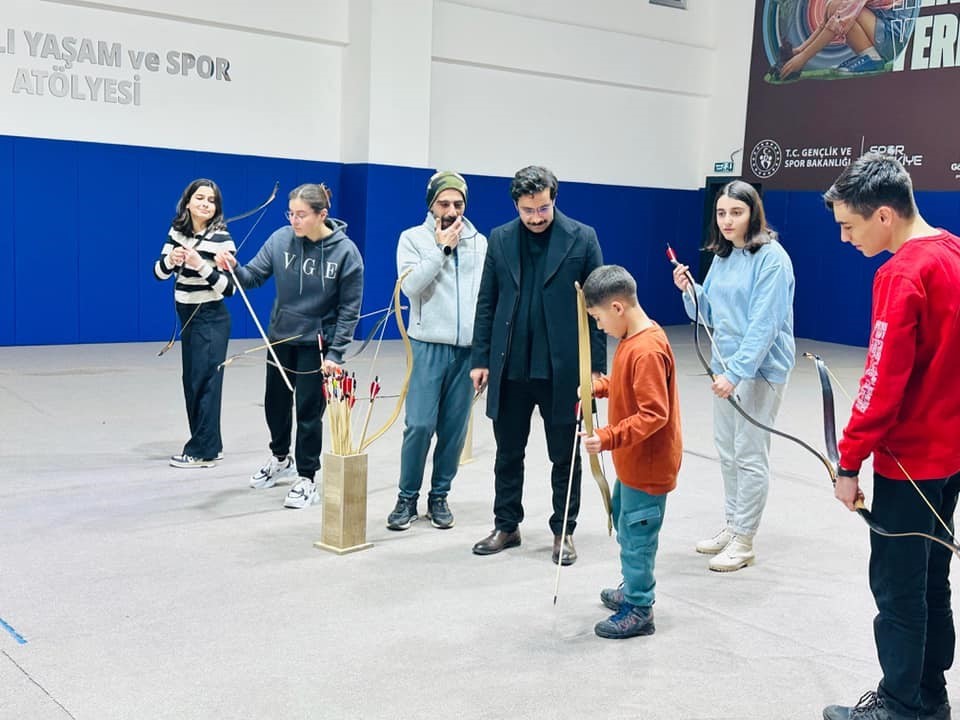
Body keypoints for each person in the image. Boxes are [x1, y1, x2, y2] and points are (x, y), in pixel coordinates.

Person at [820, 154, 960, 720]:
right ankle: (930, 692)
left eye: (849, 226)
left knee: (899, 586)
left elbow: (881, 382)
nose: (846, 238)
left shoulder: (902, 273)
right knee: (931, 576)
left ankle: (903, 706)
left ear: (884, 215)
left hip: (912, 463)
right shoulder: (953, 251)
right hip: (950, 457)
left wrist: (848, 462)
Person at [470, 165, 606, 565]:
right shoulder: (499, 239)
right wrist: (481, 358)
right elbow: (486, 302)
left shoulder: (583, 238)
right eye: (528, 210)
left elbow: (598, 307)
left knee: (564, 454)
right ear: (516, 204)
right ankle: (506, 525)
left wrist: (595, 368)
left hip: (562, 369)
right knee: (507, 452)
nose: (536, 217)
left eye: (543, 208)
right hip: (510, 365)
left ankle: (564, 531)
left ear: (554, 198)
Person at [671, 180, 795, 572]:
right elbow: (706, 316)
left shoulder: (772, 258)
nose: (727, 220)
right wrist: (691, 291)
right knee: (727, 451)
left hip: (759, 372)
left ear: (753, 213)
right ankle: (733, 524)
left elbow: (764, 325)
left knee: (750, 453)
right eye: (722, 213)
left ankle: (744, 540)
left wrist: (737, 373)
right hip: (726, 368)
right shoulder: (724, 257)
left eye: (736, 213)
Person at [215, 183, 363, 509]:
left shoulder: (346, 253)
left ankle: (307, 477)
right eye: (291, 213)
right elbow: (252, 276)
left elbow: (350, 310)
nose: (294, 221)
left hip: (318, 343)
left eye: (301, 215)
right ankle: (281, 459)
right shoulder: (281, 239)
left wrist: (336, 353)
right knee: (276, 404)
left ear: (322, 215)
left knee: (310, 412)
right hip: (281, 336)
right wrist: (232, 267)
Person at [580, 265, 682, 639]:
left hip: (648, 465)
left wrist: (606, 438)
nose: (599, 326)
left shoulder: (647, 349)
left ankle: (640, 607)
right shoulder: (632, 340)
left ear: (618, 307)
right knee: (626, 523)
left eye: (598, 317)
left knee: (638, 536)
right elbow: (628, 387)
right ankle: (632, 587)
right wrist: (600, 387)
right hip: (633, 462)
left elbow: (654, 414)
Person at [386, 172, 488, 531]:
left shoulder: (480, 243)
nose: (451, 210)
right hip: (427, 345)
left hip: (467, 351)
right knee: (419, 425)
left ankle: (440, 496)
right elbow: (411, 287)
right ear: (430, 204)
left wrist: (484, 353)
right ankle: (406, 498)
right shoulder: (412, 239)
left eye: (458, 204)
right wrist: (441, 248)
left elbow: (486, 300)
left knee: (454, 429)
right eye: (443, 203)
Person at [154, 178, 236, 468]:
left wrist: (200, 265)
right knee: (193, 382)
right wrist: (173, 260)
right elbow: (159, 273)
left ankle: (202, 450)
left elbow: (229, 288)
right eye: (199, 198)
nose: (205, 203)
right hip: (186, 316)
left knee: (206, 383)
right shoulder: (176, 232)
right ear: (187, 202)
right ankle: (211, 443)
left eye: (211, 200)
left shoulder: (222, 239)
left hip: (211, 317)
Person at [778, 1, 912, 79]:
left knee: (843, 13)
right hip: (882, 30)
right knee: (834, 6)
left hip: (892, 38)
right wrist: (801, 50)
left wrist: (803, 59)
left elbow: (840, 20)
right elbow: (829, 20)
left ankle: (873, 58)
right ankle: (870, 56)